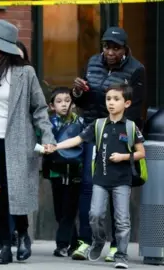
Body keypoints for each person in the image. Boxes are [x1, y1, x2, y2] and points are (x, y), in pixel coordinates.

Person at [0, 19, 56, 264]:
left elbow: (39, 108)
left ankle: (23, 233)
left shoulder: (25, 72)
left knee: (16, 193)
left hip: (19, 143)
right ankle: (4, 245)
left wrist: (48, 138)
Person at [50, 83, 146, 269]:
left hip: (122, 181)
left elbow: (141, 152)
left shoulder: (131, 127)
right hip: (100, 179)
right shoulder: (98, 124)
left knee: (122, 220)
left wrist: (123, 157)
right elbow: (77, 140)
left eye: (116, 99)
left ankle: (121, 255)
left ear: (126, 104)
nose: (111, 103)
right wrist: (56, 146)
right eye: (108, 99)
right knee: (94, 214)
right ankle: (98, 240)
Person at [71, 27, 146, 262]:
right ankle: (87, 240)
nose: (110, 52)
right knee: (88, 187)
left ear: (125, 49)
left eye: (115, 47)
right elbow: (83, 100)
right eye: (106, 46)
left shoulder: (136, 69)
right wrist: (78, 92)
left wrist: (123, 134)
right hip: (94, 130)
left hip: (119, 134)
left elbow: (136, 106)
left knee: (116, 191)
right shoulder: (93, 62)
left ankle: (116, 246)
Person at [42, 87, 84, 257]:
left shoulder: (80, 122)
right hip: (56, 171)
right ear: (52, 106)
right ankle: (74, 242)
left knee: (69, 209)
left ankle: (62, 245)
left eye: (67, 101)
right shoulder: (48, 124)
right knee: (60, 210)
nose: (64, 105)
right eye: (59, 102)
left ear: (72, 104)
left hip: (75, 171)